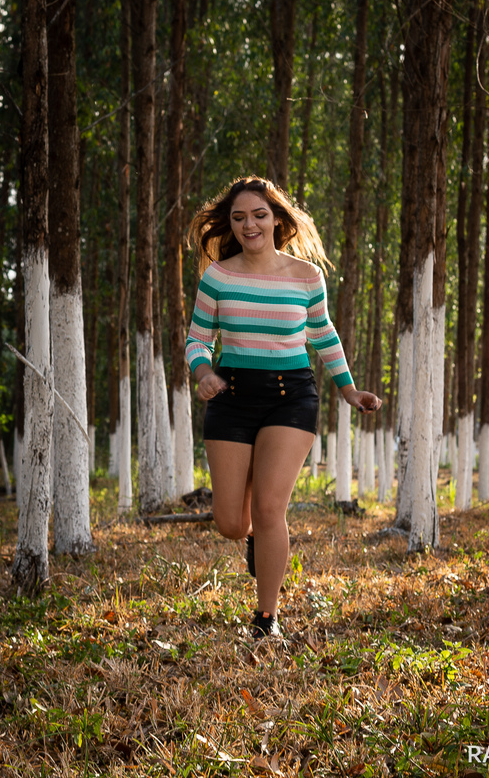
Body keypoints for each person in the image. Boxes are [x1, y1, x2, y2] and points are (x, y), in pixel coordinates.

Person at [184, 176, 382, 639]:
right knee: (232, 523)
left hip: (290, 396)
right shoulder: (218, 277)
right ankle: (253, 535)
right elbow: (197, 339)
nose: (249, 224)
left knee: (271, 508)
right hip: (231, 396)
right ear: (230, 224)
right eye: (238, 218)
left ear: (276, 219)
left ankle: (266, 618)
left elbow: (324, 335)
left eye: (259, 215)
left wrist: (349, 390)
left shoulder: (306, 276)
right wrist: (204, 372)